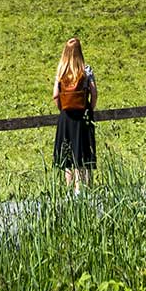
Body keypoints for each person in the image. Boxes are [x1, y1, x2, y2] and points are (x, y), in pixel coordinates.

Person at [52, 36, 97, 191]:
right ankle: (84, 189)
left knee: (68, 155)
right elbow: (94, 93)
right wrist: (89, 109)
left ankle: (69, 189)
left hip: (66, 117)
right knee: (84, 152)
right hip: (82, 116)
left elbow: (55, 95)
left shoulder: (61, 72)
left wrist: (63, 109)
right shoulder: (86, 70)